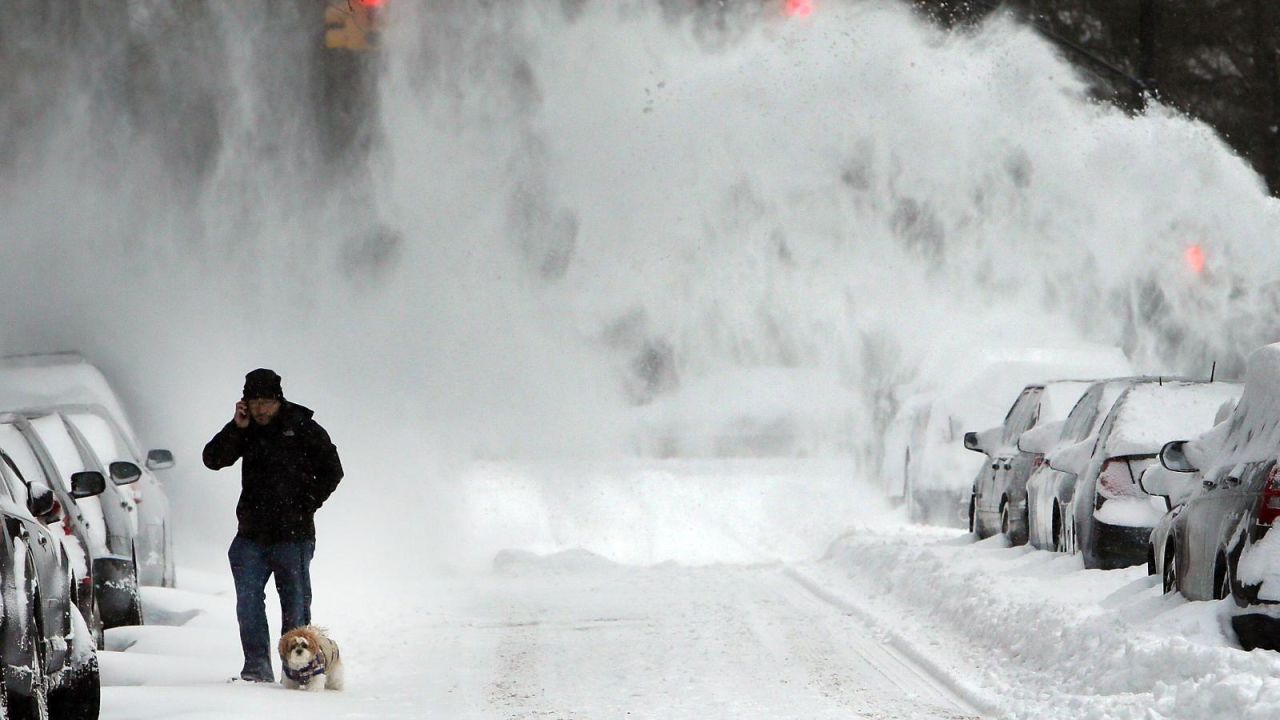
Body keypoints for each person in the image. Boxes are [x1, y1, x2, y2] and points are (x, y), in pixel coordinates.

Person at [203, 368, 344, 683]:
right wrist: (236, 428)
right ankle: (256, 670)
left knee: (295, 605)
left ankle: (297, 673)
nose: (261, 409)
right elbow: (212, 459)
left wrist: (306, 503)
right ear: (245, 404)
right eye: (255, 402)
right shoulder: (246, 429)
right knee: (248, 603)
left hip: (293, 537)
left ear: (278, 400)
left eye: (266, 402)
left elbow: (333, 470)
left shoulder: (302, 427)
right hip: (250, 536)